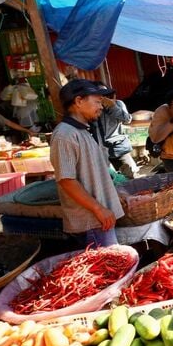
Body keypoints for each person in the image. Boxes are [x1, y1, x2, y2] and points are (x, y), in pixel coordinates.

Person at [50, 79, 124, 247]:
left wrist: (112, 196)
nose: (101, 106)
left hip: (99, 219)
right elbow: (66, 180)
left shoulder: (81, 130)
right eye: (97, 101)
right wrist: (98, 209)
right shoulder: (65, 135)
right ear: (78, 101)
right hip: (91, 221)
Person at [94, 82, 139, 179]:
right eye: (100, 95)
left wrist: (112, 107)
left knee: (131, 177)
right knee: (111, 180)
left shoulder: (118, 104)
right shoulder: (92, 108)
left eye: (104, 94)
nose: (103, 97)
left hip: (118, 147)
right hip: (101, 151)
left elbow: (127, 119)